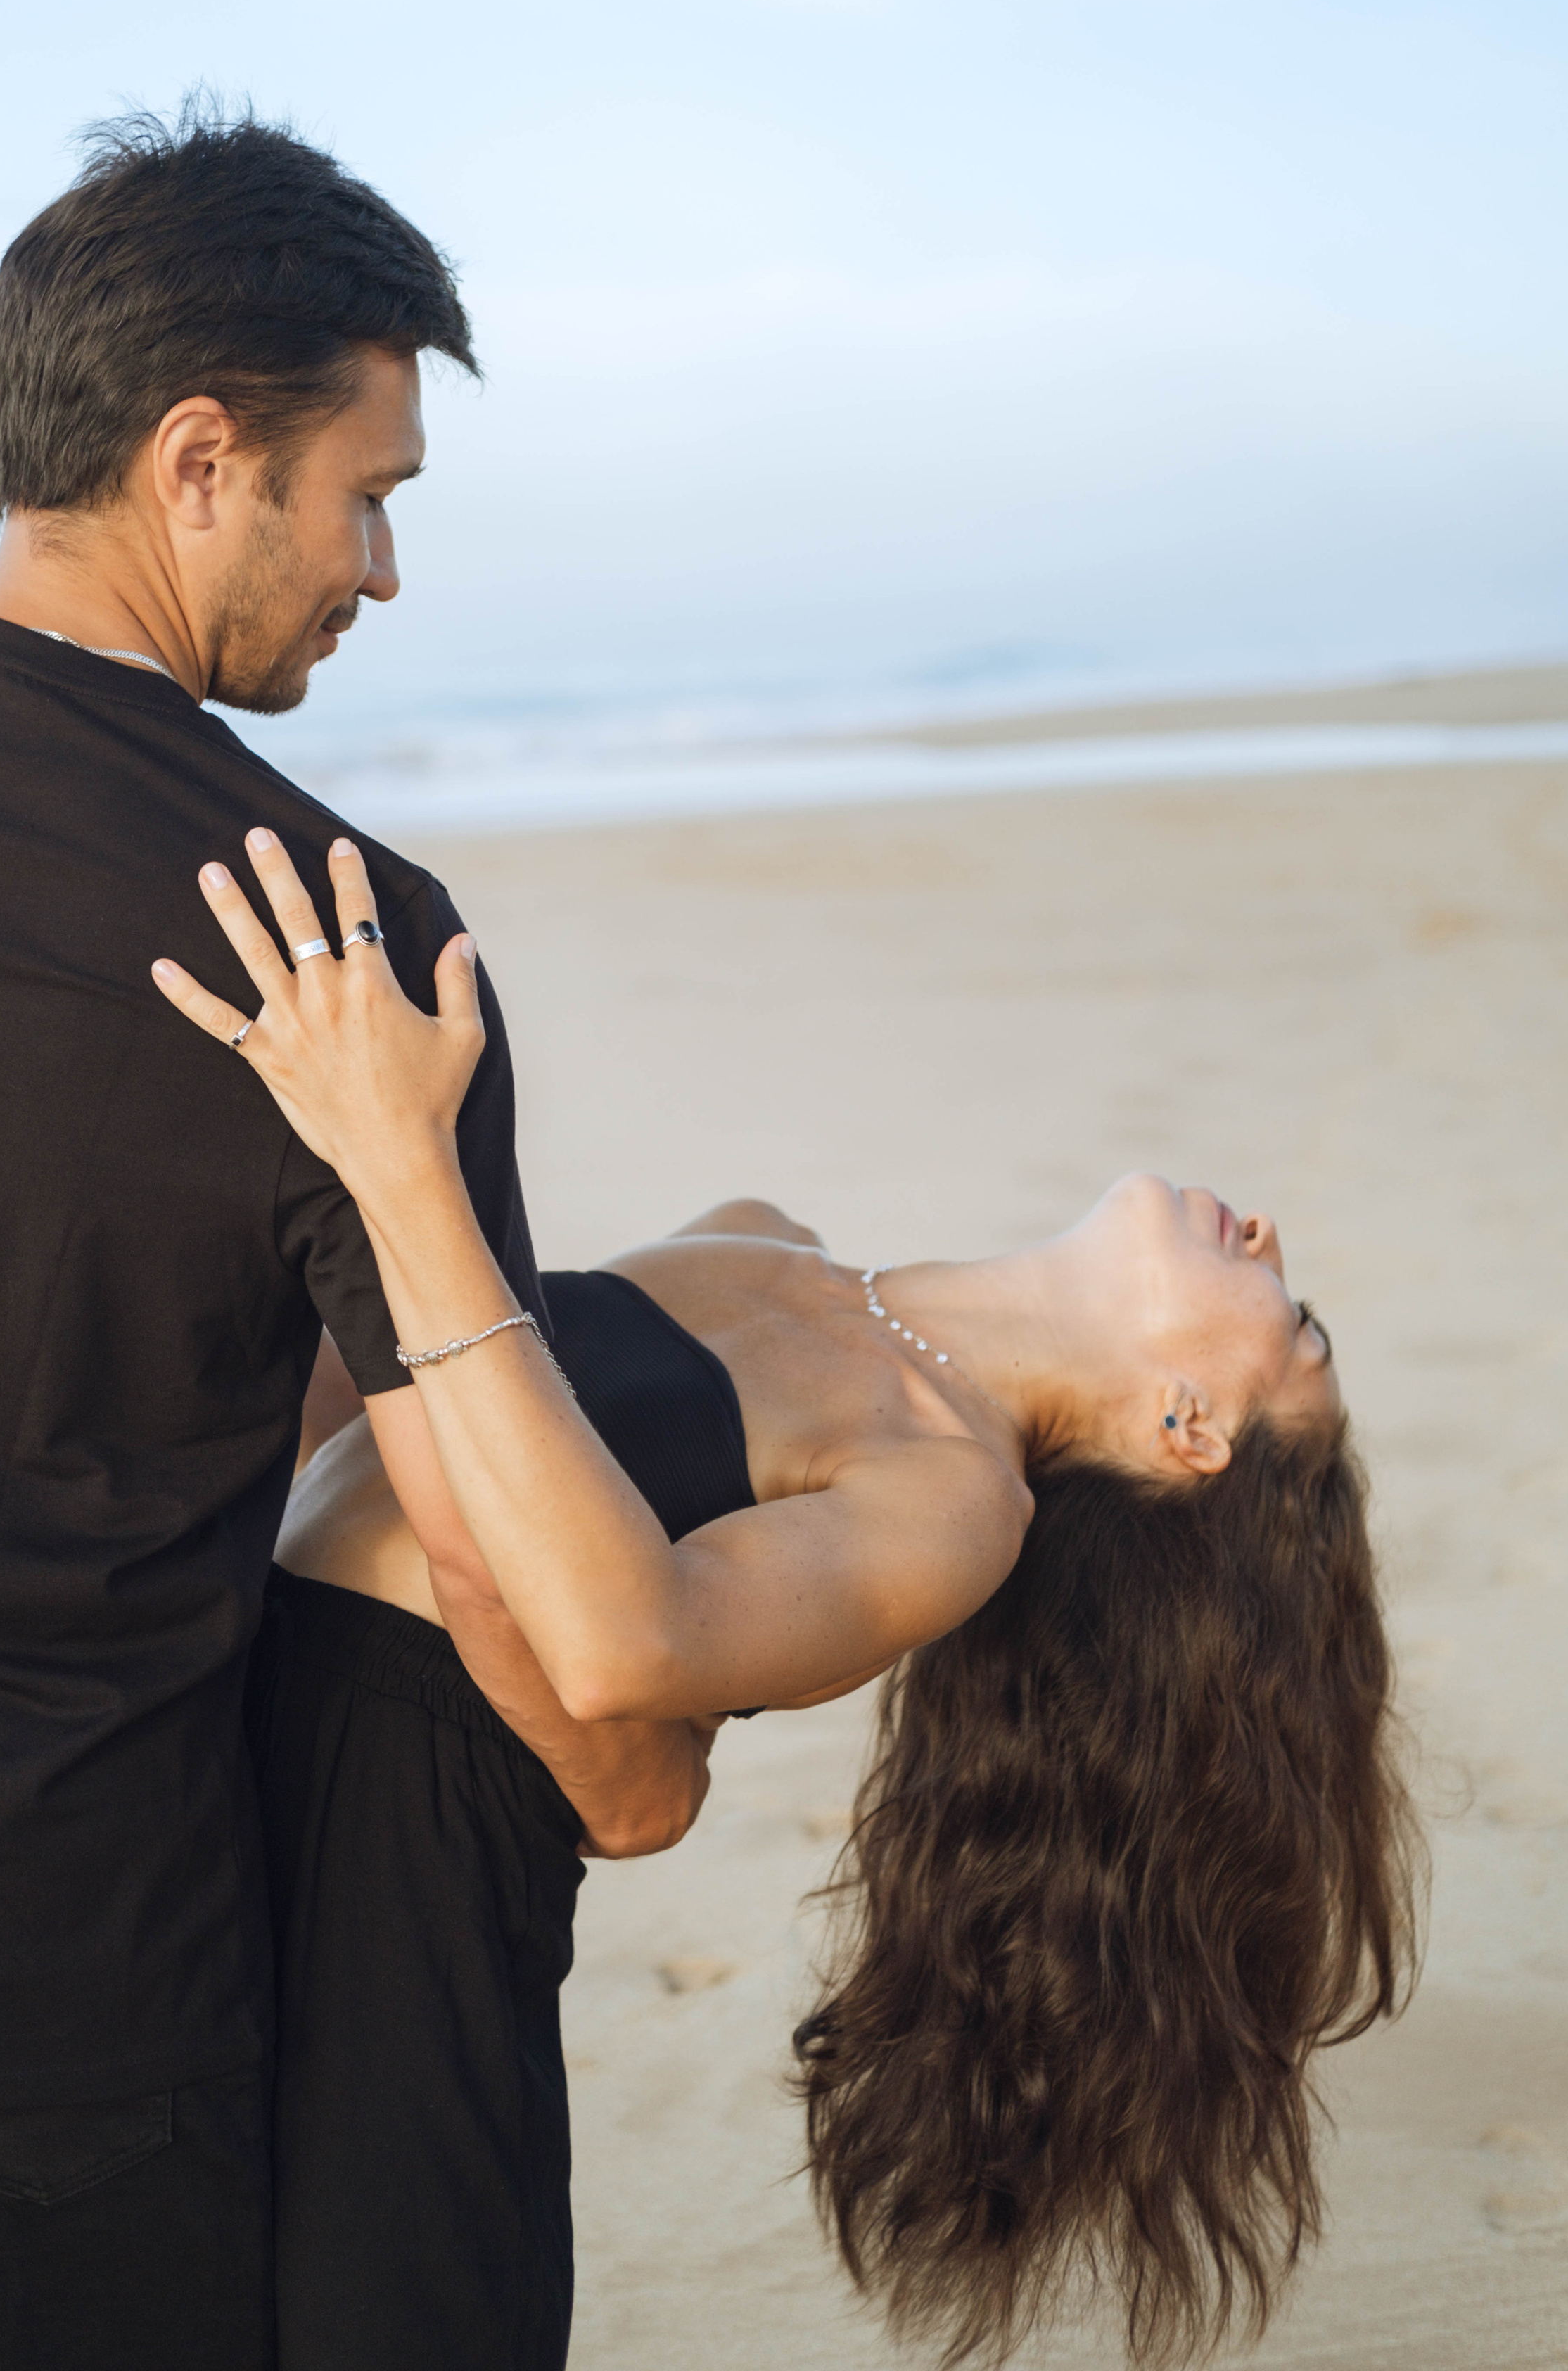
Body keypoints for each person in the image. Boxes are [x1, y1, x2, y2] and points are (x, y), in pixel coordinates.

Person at [0, 106, 704, 2370]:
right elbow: (480, 1532)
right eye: (366, 495)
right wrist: (633, 1781)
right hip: (69, 1989)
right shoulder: (338, 940)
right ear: (200, 459)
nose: (380, 572)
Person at [155, 832, 1424, 2371]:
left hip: (411, 1849)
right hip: (229, 1712)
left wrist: (399, 1158)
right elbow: (364, 1399)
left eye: (1297, 1327)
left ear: (1189, 1429)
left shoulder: (956, 1496)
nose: (1270, 1241)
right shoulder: (768, 1239)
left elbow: (623, 1641)